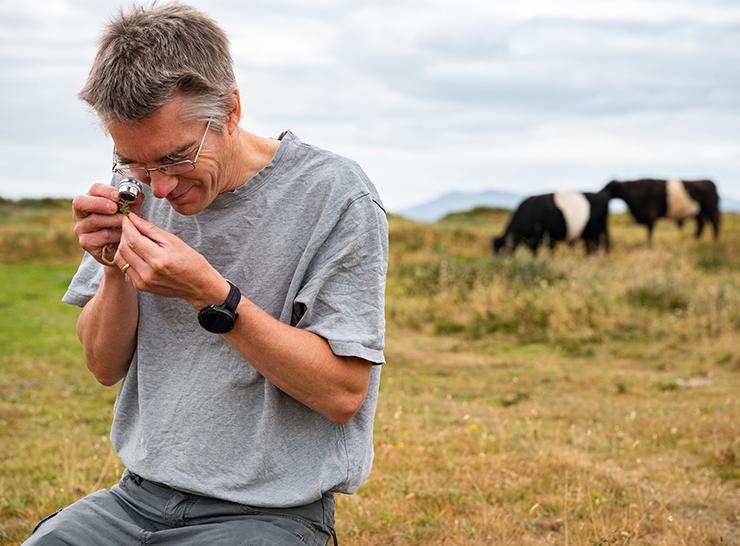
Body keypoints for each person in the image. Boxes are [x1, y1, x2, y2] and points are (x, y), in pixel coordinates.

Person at [24, 3, 387, 545]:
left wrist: (211, 295)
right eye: (135, 162)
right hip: (134, 499)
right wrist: (115, 267)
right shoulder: (139, 187)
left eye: (174, 157)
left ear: (231, 110)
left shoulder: (335, 195)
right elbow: (103, 366)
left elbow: (342, 394)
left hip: (268, 514)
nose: (159, 187)